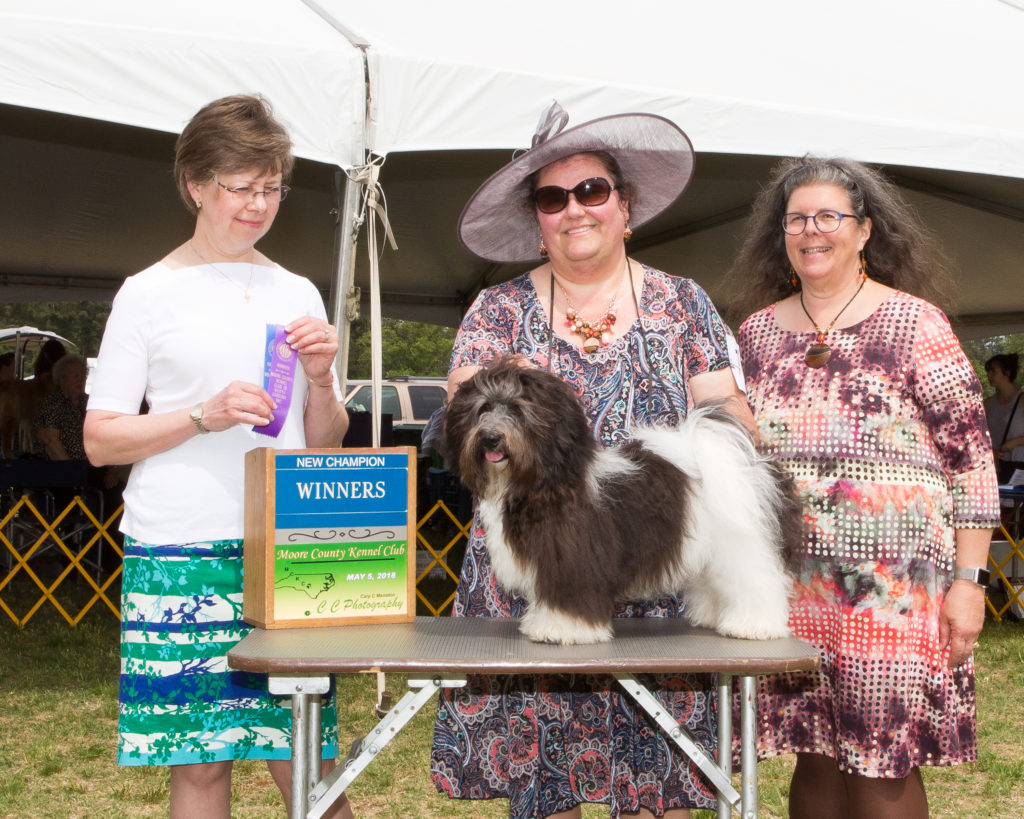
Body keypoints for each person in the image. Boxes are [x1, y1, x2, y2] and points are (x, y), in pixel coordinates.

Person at [429, 101, 753, 819]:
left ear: (625, 204)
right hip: (533, 590)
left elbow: (728, 418)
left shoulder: (684, 304)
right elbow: (462, 422)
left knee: (655, 793)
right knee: (546, 796)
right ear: (536, 218)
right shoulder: (495, 312)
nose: (574, 208)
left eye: (592, 191)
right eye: (552, 197)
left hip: (657, 581)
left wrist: (732, 460)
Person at [83, 95, 351, 819]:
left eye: (272, 187)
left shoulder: (296, 290)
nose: (259, 204)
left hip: (287, 552)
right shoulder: (146, 294)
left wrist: (324, 379)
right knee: (200, 769)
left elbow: (321, 443)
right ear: (195, 185)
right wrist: (201, 416)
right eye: (242, 186)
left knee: (310, 761)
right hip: (178, 549)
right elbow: (101, 438)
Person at [728, 156, 1000, 819]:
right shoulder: (756, 335)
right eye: (796, 218)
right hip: (792, 587)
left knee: (882, 763)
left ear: (865, 230)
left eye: (829, 216)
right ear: (780, 232)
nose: (811, 230)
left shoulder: (918, 325)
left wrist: (970, 581)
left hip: (895, 595)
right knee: (814, 751)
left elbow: (972, 463)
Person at [34, 353, 88, 460]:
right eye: (76, 376)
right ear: (62, 378)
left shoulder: (88, 402)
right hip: (61, 470)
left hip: (91, 467)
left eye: (83, 376)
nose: (81, 380)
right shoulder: (53, 403)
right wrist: (72, 472)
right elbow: (51, 444)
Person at [984, 353, 1024, 484]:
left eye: (993, 371)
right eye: (988, 371)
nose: (988, 375)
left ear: (1007, 373)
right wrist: (990, 452)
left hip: (1019, 469)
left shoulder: (1022, 400)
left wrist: (1017, 441)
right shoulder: (987, 404)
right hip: (996, 469)